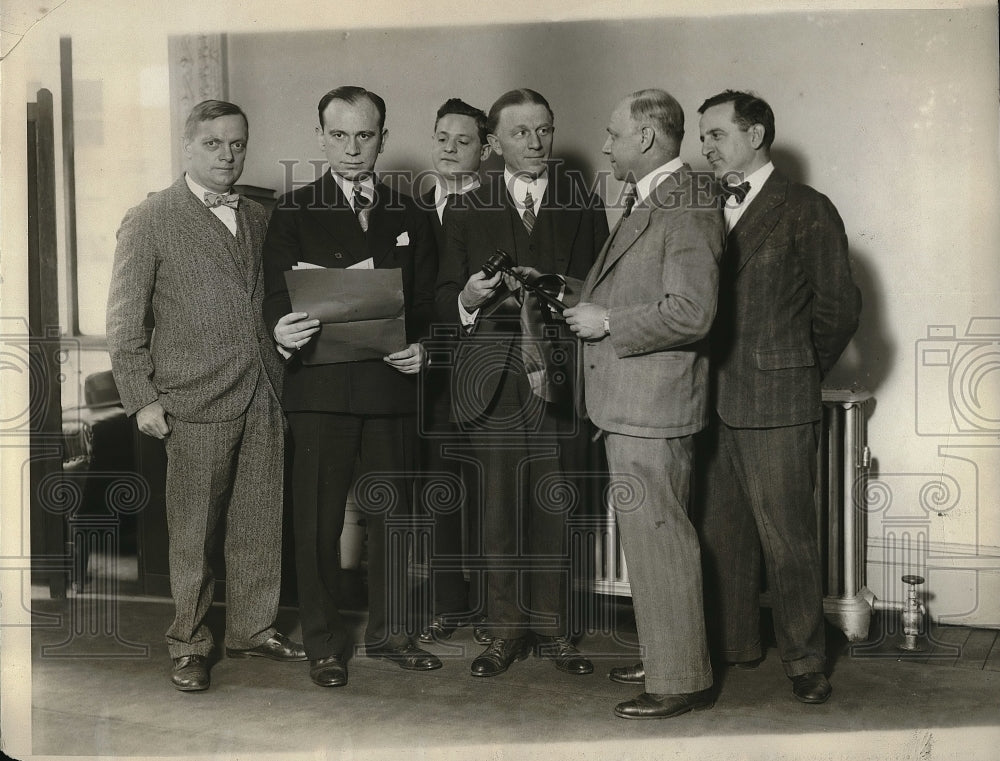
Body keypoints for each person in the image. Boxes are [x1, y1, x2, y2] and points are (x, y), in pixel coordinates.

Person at [106, 99, 306, 693]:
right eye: (215, 144)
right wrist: (141, 398)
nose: (228, 155)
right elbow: (123, 320)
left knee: (259, 520)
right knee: (193, 530)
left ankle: (253, 629)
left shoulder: (261, 215)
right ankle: (189, 643)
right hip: (191, 399)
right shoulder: (150, 218)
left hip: (264, 389)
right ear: (188, 147)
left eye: (238, 144)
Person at [262, 86, 441, 688]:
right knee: (317, 522)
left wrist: (426, 346)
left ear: (383, 139)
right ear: (320, 137)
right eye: (338, 135)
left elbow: (428, 303)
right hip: (319, 388)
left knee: (396, 518)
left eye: (364, 135)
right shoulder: (291, 210)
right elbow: (272, 298)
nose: (351, 148)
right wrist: (281, 330)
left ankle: (392, 635)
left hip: (390, 385)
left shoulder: (412, 212)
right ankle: (324, 644)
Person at [694, 90, 861, 704]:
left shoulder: (806, 208)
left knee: (788, 537)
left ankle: (804, 660)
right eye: (703, 136)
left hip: (777, 396)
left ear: (756, 134)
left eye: (716, 134)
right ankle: (736, 646)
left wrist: (794, 367)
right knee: (719, 534)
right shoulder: (702, 205)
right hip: (707, 397)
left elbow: (840, 307)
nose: (704, 147)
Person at [436, 88, 609, 677]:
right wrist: (466, 297)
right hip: (491, 378)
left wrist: (562, 287)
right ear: (493, 143)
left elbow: (602, 288)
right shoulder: (465, 206)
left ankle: (556, 631)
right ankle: (504, 630)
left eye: (544, 130)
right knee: (498, 507)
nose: (535, 143)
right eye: (520, 133)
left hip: (559, 375)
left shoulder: (581, 201)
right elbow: (439, 295)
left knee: (555, 501)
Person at [564, 89, 723, 719]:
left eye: (612, 134)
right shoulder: (657, 197)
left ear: (647, 139)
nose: (604, 146)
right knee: (651, 537)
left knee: (661, 539)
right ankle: (667, 654)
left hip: (651, 403)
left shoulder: (686, 201)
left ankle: (679, 678)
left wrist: (607, 321)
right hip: (634, 400)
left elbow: (693, 311)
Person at [416, 98, 492, 646]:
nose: (448, 148)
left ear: (486, 150)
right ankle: (447, 603)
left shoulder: (501, 208)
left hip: (491, 372)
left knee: (494, 492)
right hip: (430, 370)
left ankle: (495, 607)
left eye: (462, 141)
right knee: (440, 490)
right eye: (441, 137)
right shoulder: (410, 209)